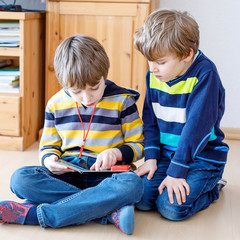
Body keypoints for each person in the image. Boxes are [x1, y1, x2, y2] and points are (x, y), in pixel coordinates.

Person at [0, 34, 144, 234]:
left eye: (95, 88)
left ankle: (35, 214)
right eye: (76, 92)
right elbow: (49, 145)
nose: (87, 97)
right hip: (68, 173)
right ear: (64, 84)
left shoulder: (123, 101)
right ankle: (107, 211)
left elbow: (138, 145)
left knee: (134, 184)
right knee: (20, 179)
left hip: (107, 175)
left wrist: (117, 153)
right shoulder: (55, 104)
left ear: (105, 76)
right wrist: (50, 159)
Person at [133, 9, 229, 220]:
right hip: (168, 155)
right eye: (149, 61)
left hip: (201, 159)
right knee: (140, 199)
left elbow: (197, 128)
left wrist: (177, 172)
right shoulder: (154, 75)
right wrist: (150, 159)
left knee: (171, 208)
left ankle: (212, 187)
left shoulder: (206, 75)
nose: (152, 69)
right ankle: (175, 176)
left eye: (160, 62)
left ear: (187, 54)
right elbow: (150, 119)